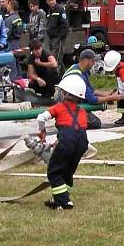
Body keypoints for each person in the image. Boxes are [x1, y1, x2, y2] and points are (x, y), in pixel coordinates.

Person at [36, 74, 89, 210]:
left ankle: (64, 201)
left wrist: (42, 131)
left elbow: (41, 118)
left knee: (54, 172)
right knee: (66, 172)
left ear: (64, 93)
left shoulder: (59, 107)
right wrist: (60, 141)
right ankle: (59, 197)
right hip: (82, 144)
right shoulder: (82, 111)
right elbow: (75, 130)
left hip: (67, 142)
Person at [62, 49, 123, 129]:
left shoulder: (79, 69)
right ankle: (68, 120)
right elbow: (92, 99)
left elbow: (90, 90)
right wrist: (111, 98)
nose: (94, 64)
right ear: (86, 60)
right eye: (93, 61)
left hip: (75, 101)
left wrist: (106, 93)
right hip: (69, 104)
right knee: (95, 123)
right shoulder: (79, 76)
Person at [45, 0, 69, 70]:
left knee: (56, 59)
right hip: (51, 38)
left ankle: (56, 79)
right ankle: (63, 76)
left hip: (58, 38)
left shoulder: (60, 9)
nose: (50, 2)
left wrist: (60, 37)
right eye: (48, 1)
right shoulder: (49, 11)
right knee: (54, 58)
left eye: (52, 0)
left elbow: (65, 25)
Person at [4, 0, 25, 77]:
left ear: (11, 6)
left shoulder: (9, 19)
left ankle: (13, 82)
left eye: (8, 4)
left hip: (10, 44)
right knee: (17, 63)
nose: (7, 6)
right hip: (18, 43)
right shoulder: (19, 18)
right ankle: (20, 80)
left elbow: (6, 34)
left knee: (11, 64)